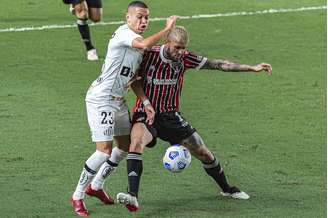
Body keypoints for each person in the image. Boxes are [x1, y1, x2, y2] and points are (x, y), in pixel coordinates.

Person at [111, 26, 272, 212]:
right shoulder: (149, 55)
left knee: (205, 154)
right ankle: (133, 196)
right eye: (177, 47)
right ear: (167, 43)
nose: (180, 52)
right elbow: (134, 80)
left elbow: (219, 64)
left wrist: (252, 68)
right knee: (136, 142)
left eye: (183, 48)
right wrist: (146, 103)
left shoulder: (186, 58)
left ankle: (227, 189)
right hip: (147, 113)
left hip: (171, 116)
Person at [70, 1, 178, 216]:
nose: (144, 21)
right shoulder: (124, 34)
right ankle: (77, 195)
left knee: (124, 146)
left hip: (118, 100)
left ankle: (97, 186)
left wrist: (146, 102)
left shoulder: (136, 46)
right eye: (139, 16)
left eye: (147, 17)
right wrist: (167, 29)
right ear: (127, 18)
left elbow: (134, 79)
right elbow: (145, 44)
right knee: (103, 151)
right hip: (101, 99)